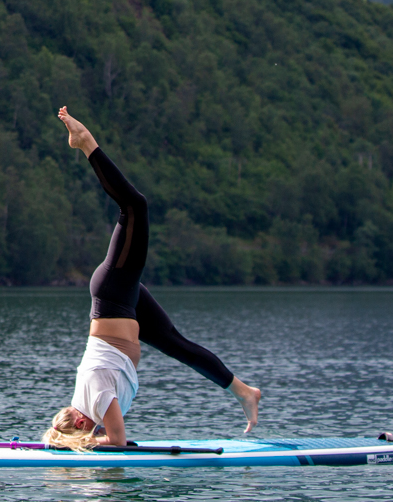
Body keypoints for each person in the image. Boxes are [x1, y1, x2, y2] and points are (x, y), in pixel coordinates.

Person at [42, 107, 262, 450]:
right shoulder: (92, 403)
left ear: (83, 423)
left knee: (134, 207)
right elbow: (110, 436)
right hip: (122, 303)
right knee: (176, 344)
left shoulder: (95, 397)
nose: (95, 431)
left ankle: (85, 143)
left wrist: (93, 445)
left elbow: (117, 441)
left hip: (114, 293)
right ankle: (245, 392)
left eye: (88, 432)